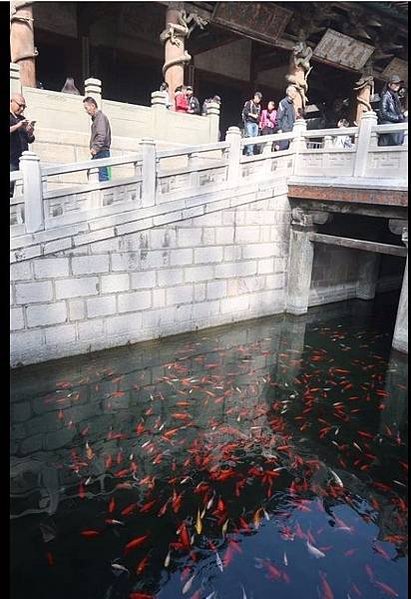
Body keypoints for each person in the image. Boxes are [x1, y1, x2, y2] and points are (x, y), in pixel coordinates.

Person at [10, 93, 35, 197]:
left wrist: (30, 132)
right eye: (20, 105)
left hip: (23, 158)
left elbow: (30, 140)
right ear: (11, 102)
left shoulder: (22, 118)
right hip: (11, 159)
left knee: (25, 188)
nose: (21, 108)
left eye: (24, 106)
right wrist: (18, 125)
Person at [83, 96, 111, 182]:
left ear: (93, 106)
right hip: (99, 152)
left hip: (101, 151)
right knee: (92, 172)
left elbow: (102, 135)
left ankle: (106, 195)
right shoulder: (97, 119)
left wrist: (95, 148)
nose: (86, 111)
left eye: (86, 108)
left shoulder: (100, 118)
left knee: (103, 176)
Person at [378, 74, 406, 146]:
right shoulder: (385, 96)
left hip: (394, 121)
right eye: (395, 84)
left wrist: (402, 115)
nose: (397, 86)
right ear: (389, 85)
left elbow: (397, 112)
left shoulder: (394, 97)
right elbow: (383, 113)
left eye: (399, 84)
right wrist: (398, 117)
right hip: (387, 121)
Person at [276, 86, 297, 151]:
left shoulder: (292, 104)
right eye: (294, 91)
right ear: (289, 92)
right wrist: (279, 128)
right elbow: (279, 116)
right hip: (284, 129)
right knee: (283, 149)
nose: (295, 93)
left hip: (291, 129)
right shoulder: (283, 102)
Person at [242, 91, 262, 156]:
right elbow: (245, 111)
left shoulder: (259, 106)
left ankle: (248, 151)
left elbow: (259, 114)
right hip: (249, 122)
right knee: (250, 136)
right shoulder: (249, 103)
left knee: (254, 138)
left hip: (256, 123)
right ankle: (250, 152)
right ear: (255, 97)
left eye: (260, 99)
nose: (258, 100)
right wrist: (252, 115)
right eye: (258, 98)